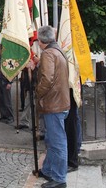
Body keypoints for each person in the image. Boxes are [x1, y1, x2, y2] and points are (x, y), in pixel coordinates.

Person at [35, 25, 70, 188]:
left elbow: (47, 79)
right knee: (51, 140)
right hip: (61, 102)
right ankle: (48, 170)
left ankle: (59, 178)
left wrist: (37, 92)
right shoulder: (59, 51)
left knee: (57, 142)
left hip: (53, 104)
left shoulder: (48, 53)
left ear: (41, 40)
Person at [0, 45, 14, 124]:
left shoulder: (9, 57)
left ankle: (10, 117)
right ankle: (3, 115)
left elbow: (13, 71)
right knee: (1, 100)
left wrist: (10, 82)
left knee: (7, 101)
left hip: (6, 81)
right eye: (0, 49)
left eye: (2, 49)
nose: (1, 50)